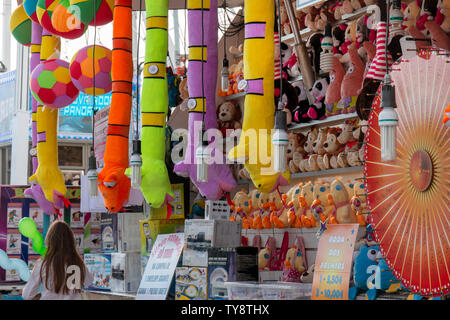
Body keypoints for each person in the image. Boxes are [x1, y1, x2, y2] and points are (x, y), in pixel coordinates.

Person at [22, 220, 93, 300]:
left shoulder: (43, 264)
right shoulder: (78, 262)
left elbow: (27, 295)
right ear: (71, 240)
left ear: (50, 241)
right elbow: (89, 282)